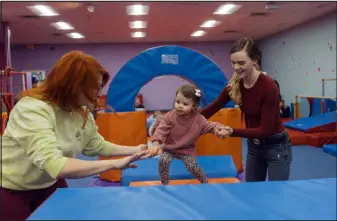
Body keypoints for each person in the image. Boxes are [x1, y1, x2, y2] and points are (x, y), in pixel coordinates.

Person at [0, 50, 156, 220]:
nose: (98, 92)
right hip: (11, 187)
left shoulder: (81, 111)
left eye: (99, 87)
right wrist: (114, 164)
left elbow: (97, 145)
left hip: (49, 184)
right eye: (94, 87)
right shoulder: (32, 109)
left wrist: (137, 149)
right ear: (73, 85)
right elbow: (55, 165)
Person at [201, 38, 292, 182]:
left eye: (241, 63)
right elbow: (209, 110)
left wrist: (232, 131)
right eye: (233, 62)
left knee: (277, 193)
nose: (236, 67)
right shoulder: (235, 85)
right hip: (254, 147)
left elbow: (265, 130)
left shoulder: (269, 86)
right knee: (253, 193)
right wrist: (176, 118)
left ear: (254, 60)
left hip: (276, 146)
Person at [150, 84, 226, 185]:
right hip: (169, 148)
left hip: (186, 149)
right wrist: (155, 143)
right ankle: (164, 182)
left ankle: (204, 181)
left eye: (185, 104)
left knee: (192, 166)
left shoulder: (198, 119)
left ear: (193, 106)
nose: (180, 106)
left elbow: (209, 125)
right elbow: (161, 129)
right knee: (163, 160)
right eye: (177, 102)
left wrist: (218, 129)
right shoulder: (170, 116)